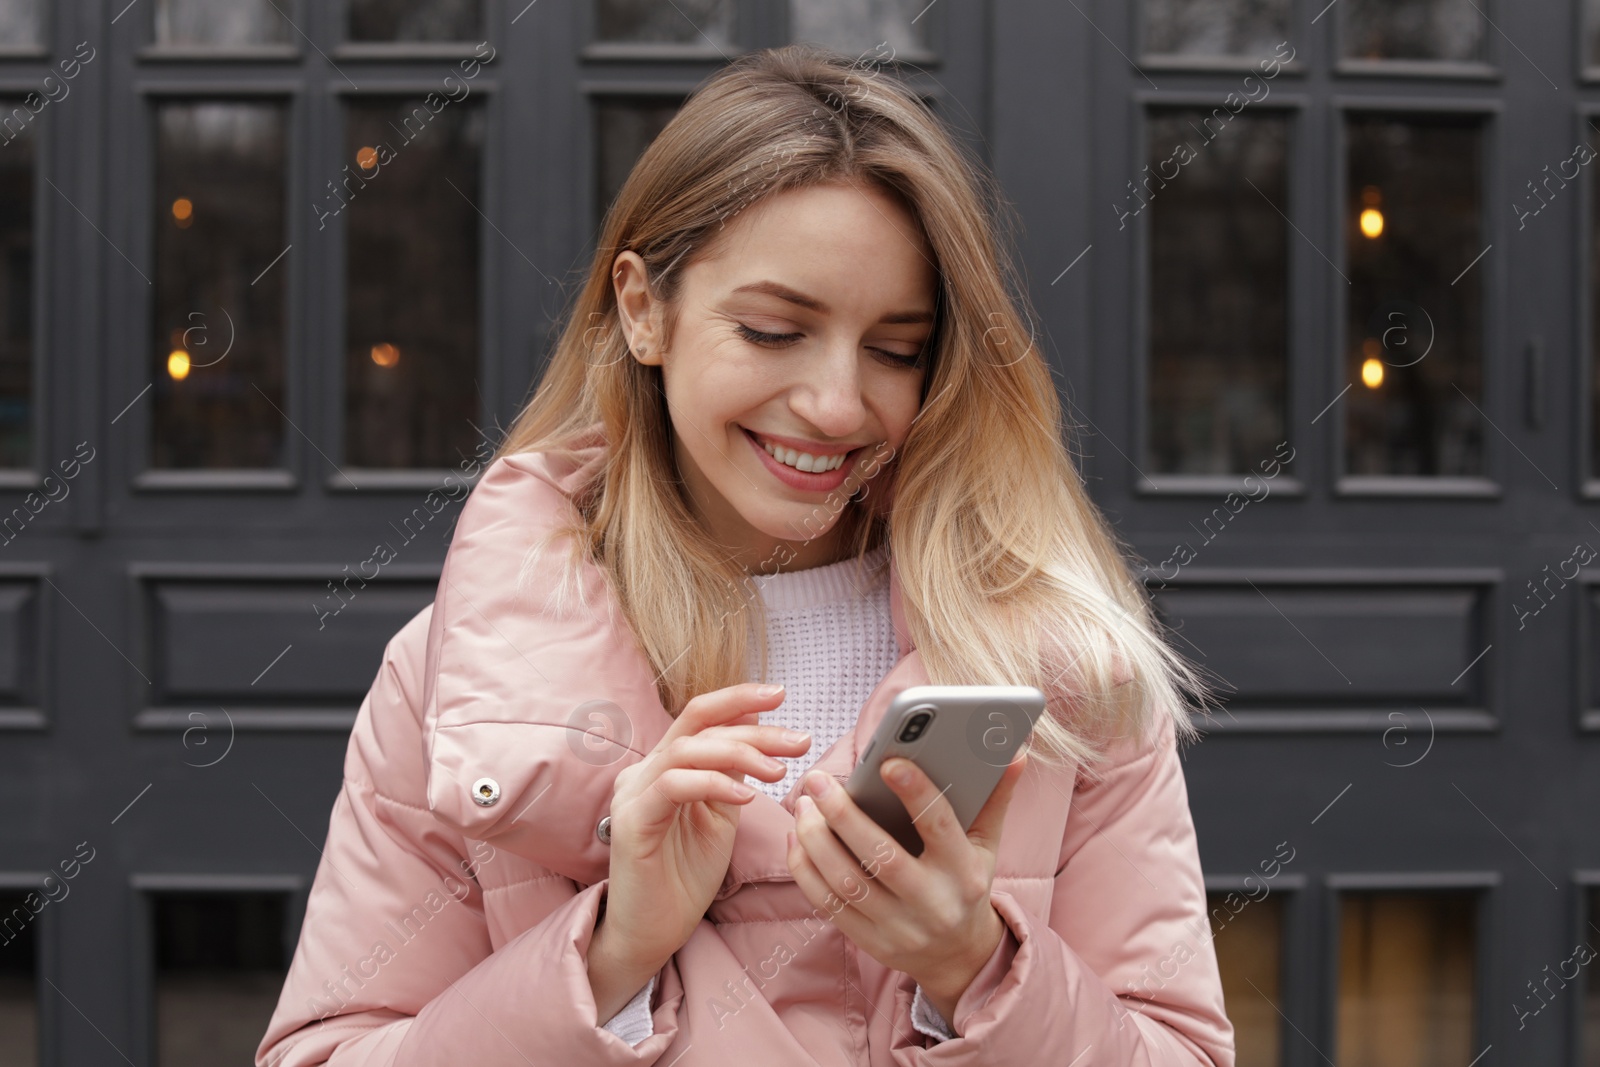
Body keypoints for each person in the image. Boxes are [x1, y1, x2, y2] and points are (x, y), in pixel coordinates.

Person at [256, 42, 1234, 1067]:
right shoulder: (462, 677)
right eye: (773, 330)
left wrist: (977, 970)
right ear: (643, 308)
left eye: (897, 348)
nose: (837, 403)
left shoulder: (1062, 669)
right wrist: (609, 955)